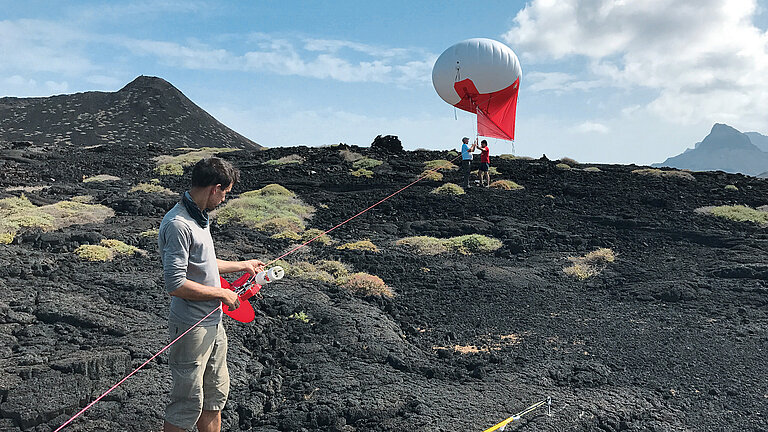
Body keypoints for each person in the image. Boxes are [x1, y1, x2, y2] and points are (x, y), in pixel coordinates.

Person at [159, 157, 265, 432]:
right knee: (187, 403)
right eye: (226, 194)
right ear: (215, 188)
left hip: (213, 324)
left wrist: (243, 264)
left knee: (214, 398)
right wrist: (222, 294)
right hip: (190, 328)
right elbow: (175, 284)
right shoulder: (179, 224)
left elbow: (205, 263)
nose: (224, 200)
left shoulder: (199, 218)